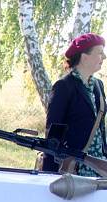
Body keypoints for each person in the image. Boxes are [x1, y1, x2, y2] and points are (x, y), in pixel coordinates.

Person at [42, 33, 106, 176]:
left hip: (98, 168)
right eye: (99, 53)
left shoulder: (98, 86)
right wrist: (49, 174)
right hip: (72, 170)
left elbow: (100, 130)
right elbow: (53, 134)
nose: (104, 57)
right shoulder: (64, 87)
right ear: (84, 57)